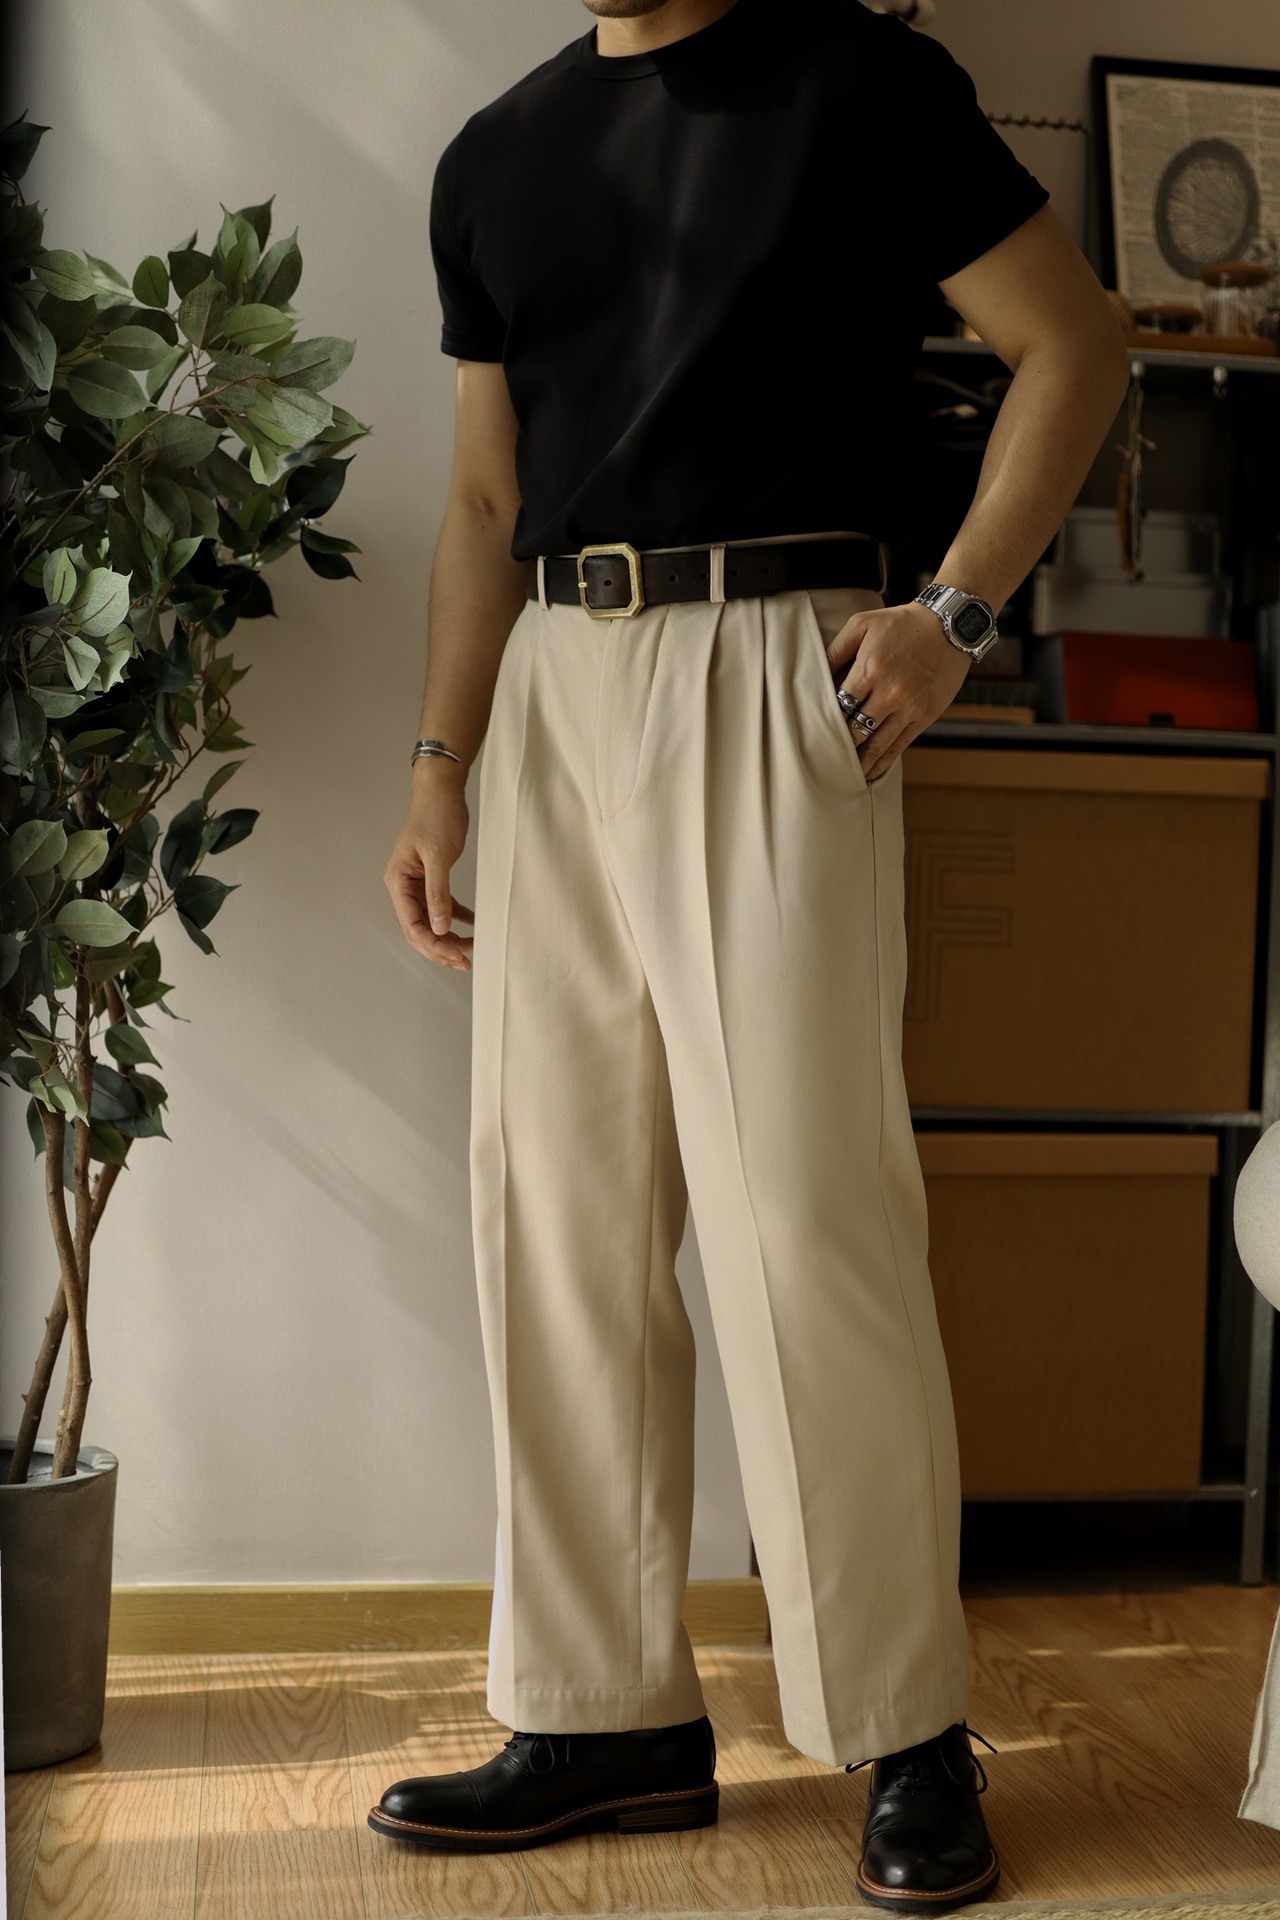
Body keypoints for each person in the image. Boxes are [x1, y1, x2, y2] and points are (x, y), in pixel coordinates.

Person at [374, 0, 1130, 1907]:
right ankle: (602, 1713)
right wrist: (442, 765)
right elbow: (484, 499)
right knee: (553, 1215)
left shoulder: (860, 81)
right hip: (555, 687)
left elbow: (1074, 340)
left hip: (778, 667)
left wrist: (956, 613)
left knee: (806, 1222)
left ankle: (903, 1723)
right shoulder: (495, 155)